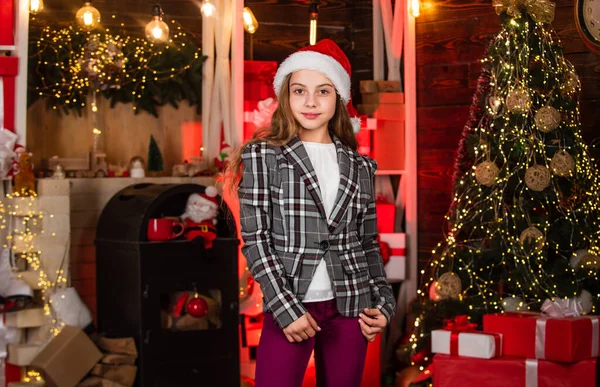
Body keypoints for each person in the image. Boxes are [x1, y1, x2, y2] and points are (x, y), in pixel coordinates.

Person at [228, 39, 396, 387]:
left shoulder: (361, 165)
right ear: (286, 97)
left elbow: (367, 243)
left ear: (338, 98)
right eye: (300, 90)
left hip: (352, 306)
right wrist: (285, 308)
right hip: (291, 303)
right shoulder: (263, 156)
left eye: (323, 91)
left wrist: (384, 304)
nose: (310, 102)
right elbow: (256, 240)